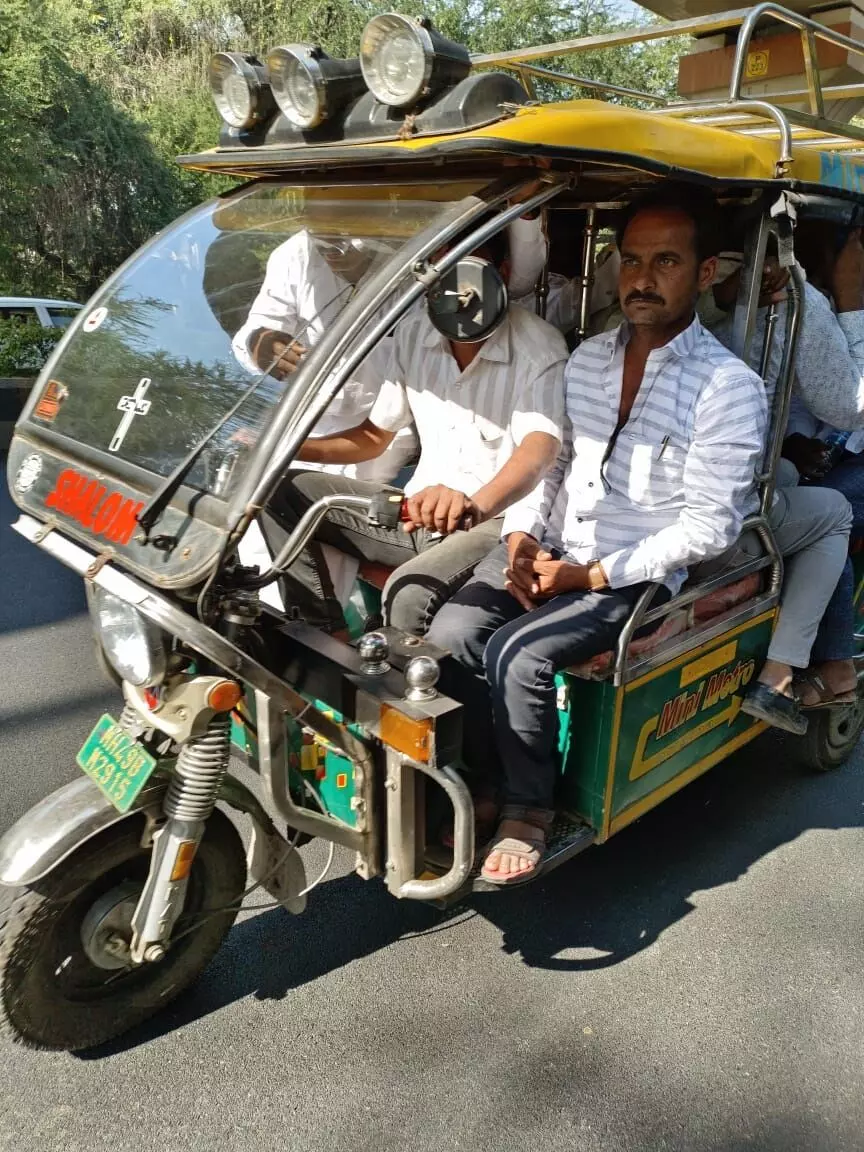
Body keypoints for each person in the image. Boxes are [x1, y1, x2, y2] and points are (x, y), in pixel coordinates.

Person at [427, 185, 770, 885]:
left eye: (666, 261)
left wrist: (589, 577)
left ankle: (529, 808)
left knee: (518, 654)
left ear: (706, 273)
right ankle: (486, 778)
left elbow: (711, 525)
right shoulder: (587, 360)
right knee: (452, 630)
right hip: (555, 546)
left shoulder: (728, 387)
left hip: (630, 571)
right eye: (632, 259)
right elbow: (552, 466)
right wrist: (521, 539)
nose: (641, 279)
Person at [261, 230, 569, 636]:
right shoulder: (412, 332)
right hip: (414, 510)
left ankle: (409, 694)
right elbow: (374, 437)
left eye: (470, 269)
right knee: (282, 492)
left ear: (503, 273)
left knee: (407, 595)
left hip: (491, 524)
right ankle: (324, 638)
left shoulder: (540, 347)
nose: (458, 289)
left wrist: (471, 507)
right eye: (443, 270)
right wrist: (284, 449)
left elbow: (538, 454)